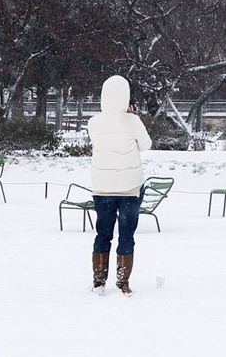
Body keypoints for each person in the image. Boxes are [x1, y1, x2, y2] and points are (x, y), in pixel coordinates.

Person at [87, 75, 153, 294]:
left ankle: (98, 279)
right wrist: (131, 116)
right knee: (126, 234)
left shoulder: (93, 123)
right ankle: (123, 281)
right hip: (130, 188)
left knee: (103, 233)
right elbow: (146, 145)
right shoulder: (132, 121)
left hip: (102, 186)